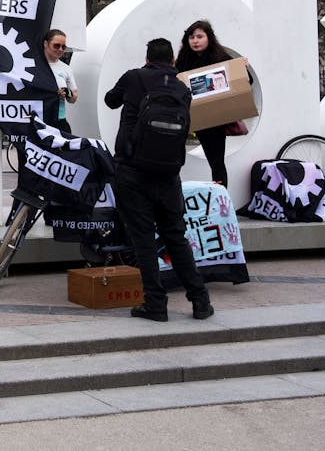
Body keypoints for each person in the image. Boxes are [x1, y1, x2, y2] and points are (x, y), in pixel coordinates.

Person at [104, 37, 214, 323]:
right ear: (173, 61)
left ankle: (155, 304)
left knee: (143, 240)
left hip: (131, 170)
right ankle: (200, 300)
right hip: (168, 173)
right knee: (175, 237)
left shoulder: (133, 77)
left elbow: (110, 100)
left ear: (147, 58)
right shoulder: (182, 88)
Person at [174, 19, 238, 185]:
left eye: (199, 37)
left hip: (214, 120)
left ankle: (221, 197)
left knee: (216, 163)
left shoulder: (221, 57)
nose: (195, 41)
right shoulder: (183, 60)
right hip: (188, 117)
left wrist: (243, 67)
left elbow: (246, 80)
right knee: (173, 160)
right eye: (191, 37)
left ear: (209, 38)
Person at [43, 29, 78, 134]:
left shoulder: (66, 68)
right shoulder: (35, 65)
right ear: (46, 44)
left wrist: (67, 92)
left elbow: (73, 98)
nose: (60, 49)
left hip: (59, 120)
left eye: (64, 47)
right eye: (56, 45)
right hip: (39, 119)